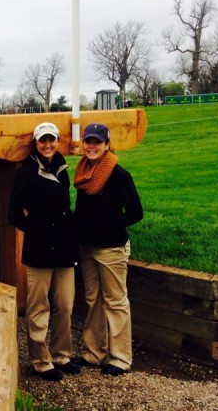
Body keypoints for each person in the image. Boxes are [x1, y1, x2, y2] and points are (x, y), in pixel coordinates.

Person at [8, 122, 81, 381]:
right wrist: (37, 228)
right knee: (39, 306)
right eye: (43, 141)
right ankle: (40, 360)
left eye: (51, 140)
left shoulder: (62, 167)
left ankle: (62, 354)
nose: (47, 145)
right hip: (39, 247)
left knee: (65, 303)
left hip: (64, 246)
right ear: (36, 143)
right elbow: (14, 214)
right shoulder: (26, 173)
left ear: (58, 141)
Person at [72, 123, 143, 376]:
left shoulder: (119, 175)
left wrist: (109, 226)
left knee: (115, 302)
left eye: (97, 142)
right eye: (88, 141)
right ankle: (94, 352)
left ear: (106, 144)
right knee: (93, 300)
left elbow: (136, 212)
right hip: (88, 247)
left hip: (111, 248)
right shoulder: (82, 172)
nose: (92, 146)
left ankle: (121, 358)